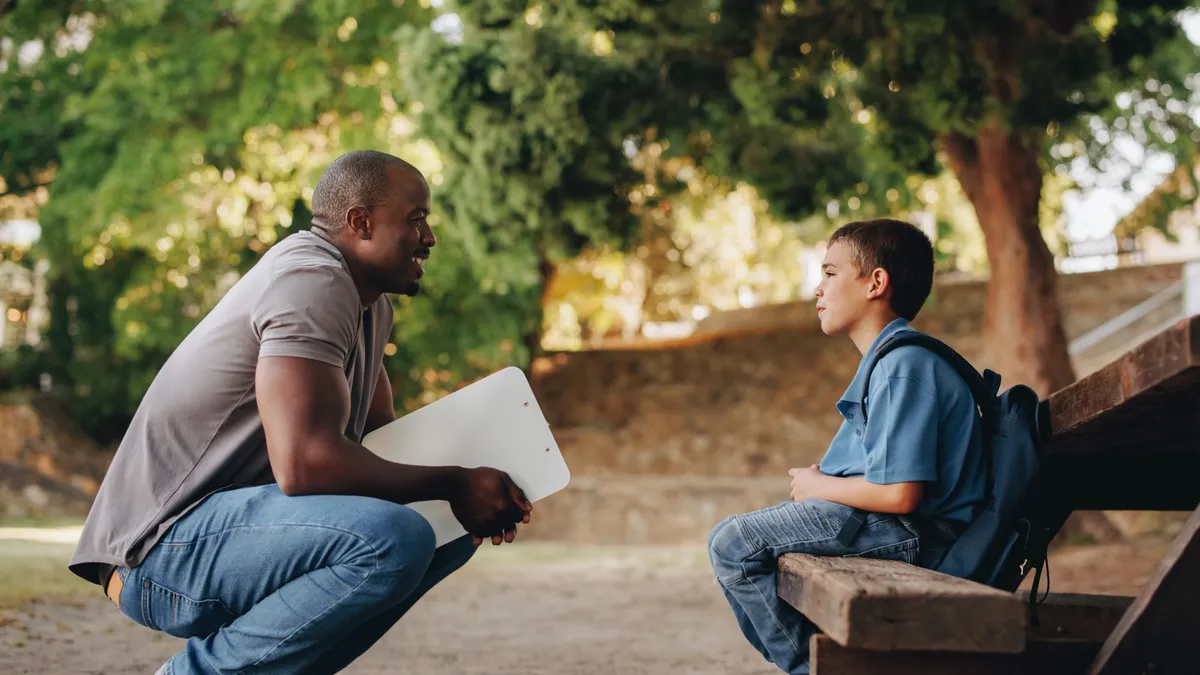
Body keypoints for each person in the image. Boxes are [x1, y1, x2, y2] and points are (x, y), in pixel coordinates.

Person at [69, 150, 532, 675]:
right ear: (360, 222)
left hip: (230, 536)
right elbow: (305, 465)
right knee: (395, 536)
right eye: (416, 220)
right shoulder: (312, 279)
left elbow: (379, 449)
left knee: (446, 530)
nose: (429, 238)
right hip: (157, 553)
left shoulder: (369, 306)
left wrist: (480, 484)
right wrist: (454, 481)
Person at [707, 218, 987, 675]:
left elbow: (900, 494)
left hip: (922, 536)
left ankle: (813, 669)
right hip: (902, 528)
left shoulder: (903, 367)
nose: (818, 289)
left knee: (734, 543)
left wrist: (818, 486)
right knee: (751, 543)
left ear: (876, 282)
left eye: (831, 273)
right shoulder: (891, 362)